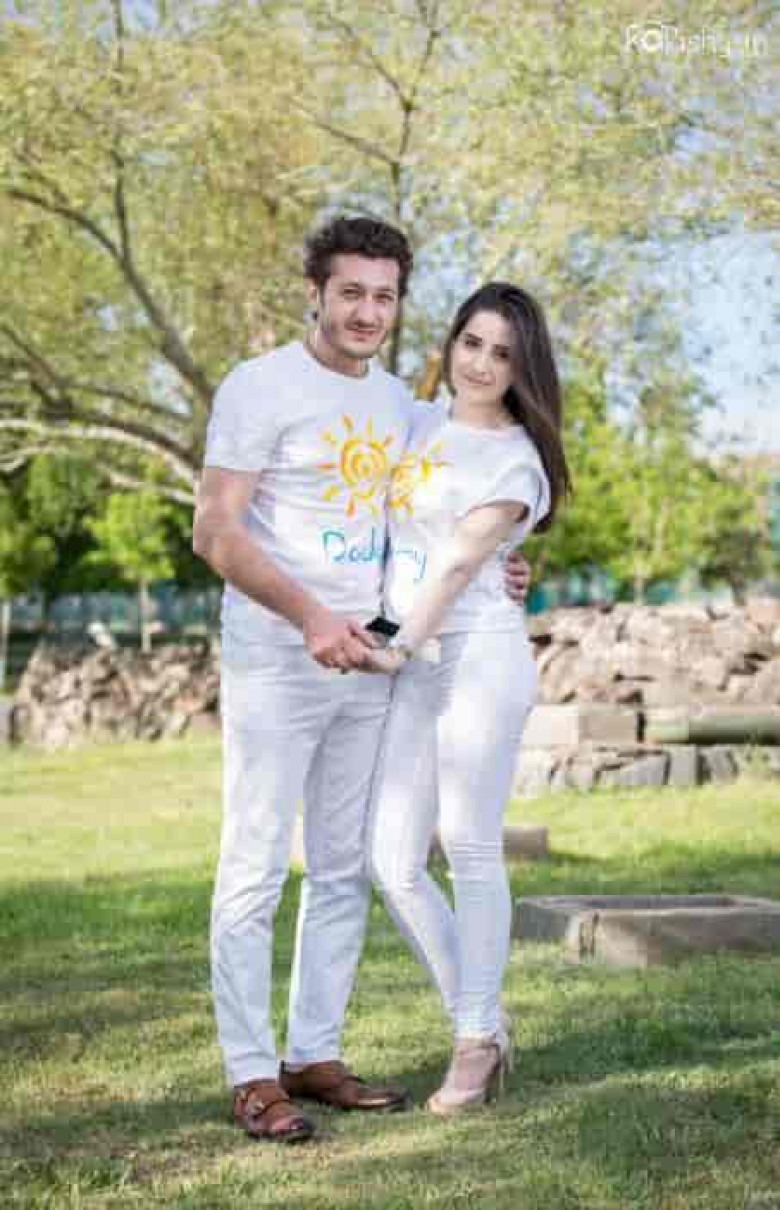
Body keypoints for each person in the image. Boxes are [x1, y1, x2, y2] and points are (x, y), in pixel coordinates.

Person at [192, 217, 532, 1143]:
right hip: (279, 657)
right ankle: (251, 1072)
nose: (367, 312)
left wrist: (505, 565)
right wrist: (310, 617)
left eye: (384, 296)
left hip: (376, 658)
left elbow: (448, 513)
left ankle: (314, 1052)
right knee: (256, 862)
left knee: (343, 866)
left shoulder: (401, 406)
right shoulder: (259, 386)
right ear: (315, 291)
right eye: (350, 292)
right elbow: (215, 530)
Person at [365, 281, 570, 1115]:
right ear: (451, 342)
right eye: (472, 342)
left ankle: (475, 1041)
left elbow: (456, 565)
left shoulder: (517, 460)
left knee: (468, 842)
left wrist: (398, 646)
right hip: (415, 661)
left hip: (477, 655)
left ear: (524, 369)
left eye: (503, 353)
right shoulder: (417, 425)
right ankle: (480, 1020)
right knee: (391, 861)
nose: (482, 364)